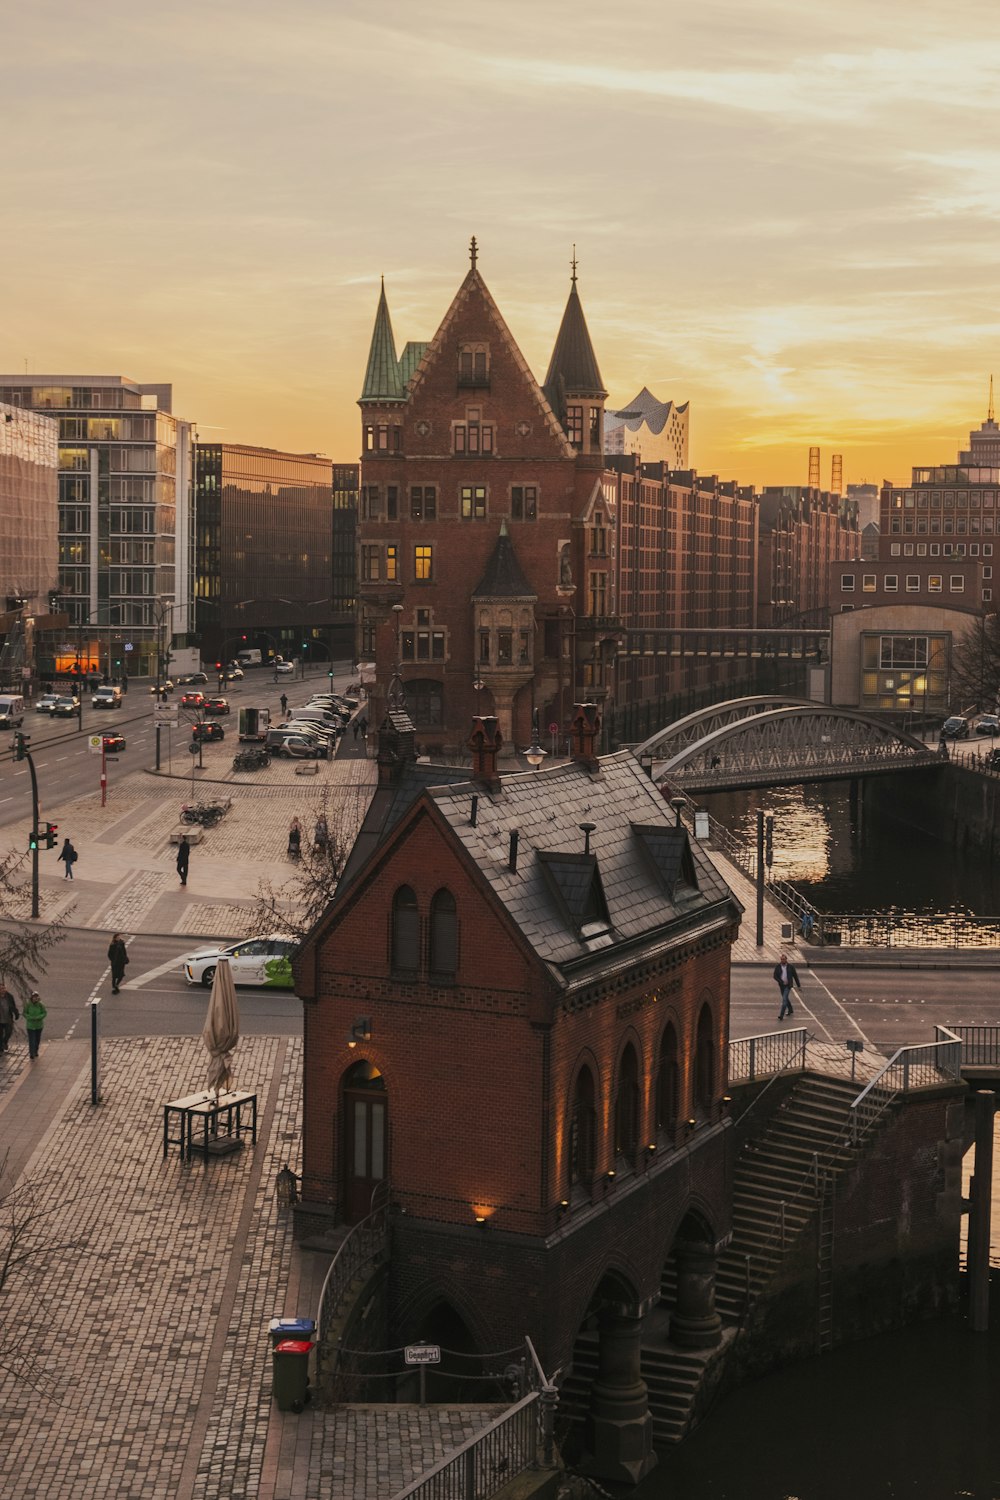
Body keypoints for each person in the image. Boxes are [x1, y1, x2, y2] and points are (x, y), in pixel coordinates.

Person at [772, 951, 801, 1021]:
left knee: (784, 1000)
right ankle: (790, 1009)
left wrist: (798, 985)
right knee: (786, 998)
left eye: (784, 959)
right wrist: (781, 981)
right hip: (782, 985)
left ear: (786, 960)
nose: (782, 961)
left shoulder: (790, 967)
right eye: (781, 959)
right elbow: (775, 976)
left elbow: (795, 976)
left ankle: (781, 1015)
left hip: (788, 986)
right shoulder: (778, 967)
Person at [24, 991, 46, 1060]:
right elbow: (25, 1013)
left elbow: (44, 1013)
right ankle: (32, 1053)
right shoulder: (28, 1004)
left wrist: (39, 1017)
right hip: (30, 1026)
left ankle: (36, 1050)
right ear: (32, 997)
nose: (35, 998)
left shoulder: (41, 1005)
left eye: (36, 997)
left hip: (39, 1025)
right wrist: (30, 1017)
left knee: (37, 1039)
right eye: (34, 997)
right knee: (31, 1040)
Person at [0, 983, 18, 1053]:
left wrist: (16, 1013)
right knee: (0, 1035)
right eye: (1, 989)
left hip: (8, 1019)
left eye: (4, 988)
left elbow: (13, 1006)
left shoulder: (9, 996)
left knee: (9, 1032)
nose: (3, 990)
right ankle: (1, 1048)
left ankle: (4, 1042)